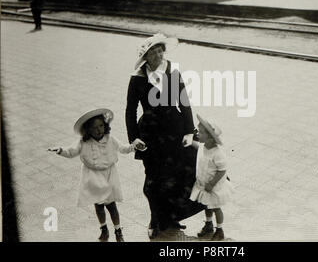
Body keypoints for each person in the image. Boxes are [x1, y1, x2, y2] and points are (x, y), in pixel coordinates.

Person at [125, 33, 205, 239]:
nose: (159, 55)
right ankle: (154, 219)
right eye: (154, 52)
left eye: (161, 50)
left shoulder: (173, 72)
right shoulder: (137, 78)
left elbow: (184, 102)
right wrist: (133, 138)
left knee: (178, 174)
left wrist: (189, 131)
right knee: (153, 181)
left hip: (175, 130)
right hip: (151, 135)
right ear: (146, 56)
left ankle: (171, 217)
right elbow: (130, 110)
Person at [48, 108, 135, 242]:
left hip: (109, 175)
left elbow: (123, 148)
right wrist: (60, 150)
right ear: (88, 130)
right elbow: (71, 152)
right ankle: (103, 228)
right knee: (98, 206)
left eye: (101, 126)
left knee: (112, 206)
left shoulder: (110, 139)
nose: (98, 130)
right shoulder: (83, 143)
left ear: (105, 126)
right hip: (93, 176)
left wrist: (133, 146)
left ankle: (118, 230)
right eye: (94, 128)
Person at [190, 114, 234, 241]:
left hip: (213, 186)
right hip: (203, 184)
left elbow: (222, 170)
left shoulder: (217, 153)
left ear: (210, 138)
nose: (198, 134)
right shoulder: (204, 146)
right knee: (206, 205)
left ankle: (220, 230)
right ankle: (208, 224)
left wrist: (212, 184)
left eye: (201, 132)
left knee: (215, 207)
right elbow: (199, 148)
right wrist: (190, 143)